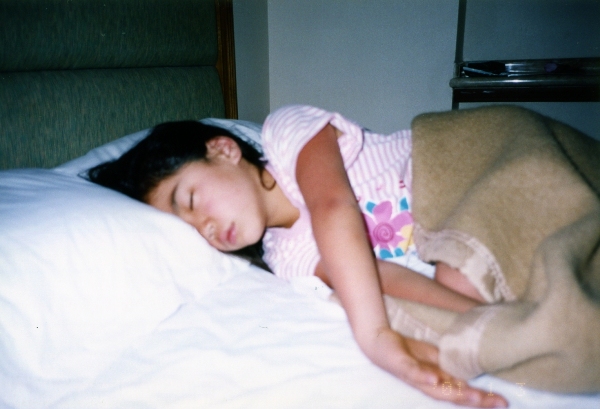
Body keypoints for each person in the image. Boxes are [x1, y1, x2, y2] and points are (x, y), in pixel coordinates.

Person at [88, 105, 507, 408]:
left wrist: (376, 337)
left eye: (193, 200)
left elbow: (332, 205)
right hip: (457, 232)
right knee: (463, 315)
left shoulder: (287, 135)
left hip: (474, 159)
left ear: (223, 150)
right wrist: (485, 323)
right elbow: (377, 276)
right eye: (193, 231)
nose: (207, 228)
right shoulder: (287, 257)